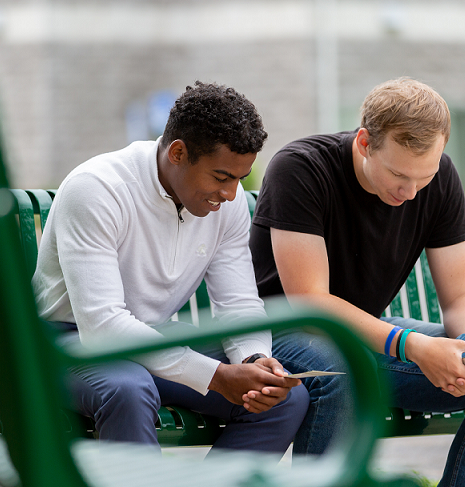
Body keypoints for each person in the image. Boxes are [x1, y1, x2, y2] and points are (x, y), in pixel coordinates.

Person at [249, 78, 465, 487]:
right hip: (282, 334)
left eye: (423, 178)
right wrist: (417, 347)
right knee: (338, 367)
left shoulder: (439, 177)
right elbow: (310, 302)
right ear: (365, 141)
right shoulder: (301, 168)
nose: (410, 192)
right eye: (398, 176)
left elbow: (463, 295)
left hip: (368, 336)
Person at [32, 81, 309, 456]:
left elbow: (239, 304)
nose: (230, 195)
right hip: (65, 343)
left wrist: (253, 359)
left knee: (282, 400)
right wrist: (216, 377)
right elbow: (101, 327)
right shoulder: (96, 189)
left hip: (150, 335)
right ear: (178, 152)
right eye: (221, 177)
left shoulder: (227, 206)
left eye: (240, 179)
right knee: (128, 389)